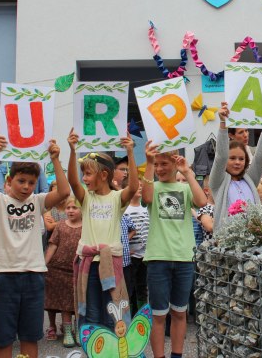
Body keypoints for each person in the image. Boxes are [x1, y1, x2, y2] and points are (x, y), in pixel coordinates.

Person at [0, 136, 69, 358]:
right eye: (21, 181)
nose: (26, 186)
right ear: (9, 180)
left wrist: (56, 159)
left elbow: (63, 192)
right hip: (4, 275)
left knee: (30, 337)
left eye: (31, 182)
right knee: (3, 339)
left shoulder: (38, 201)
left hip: (34, 275)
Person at [67, 130, 138, 330]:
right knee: (91, 313)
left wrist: (131, 152)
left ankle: (114, 350)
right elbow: (73, 181)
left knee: (112, 312)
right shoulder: (86, 198)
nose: (84, 178)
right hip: (89, 265)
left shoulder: (116, 199)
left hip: (111, 264)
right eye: (83, 173)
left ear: (104, 175)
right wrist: (72, 151)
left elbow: (133, 187)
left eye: (88, 173)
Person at [142, 142, 208, 358]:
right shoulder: (153, 186)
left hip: (183, 258)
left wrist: (187, 171)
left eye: (164, 163)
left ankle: (177, 355)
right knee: (158, 315)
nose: (160, 168)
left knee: (180, 312)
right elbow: (147, 199)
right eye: (157, 164)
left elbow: (202, 201)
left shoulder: (185, 187)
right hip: (158, 258)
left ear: (175, 162)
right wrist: (150, 163)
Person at [210, 102, 262, 230]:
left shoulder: (250, 179)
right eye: (232, 158)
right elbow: (221, 156)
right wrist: (223, 123)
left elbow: (260, 156)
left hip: (254, 242)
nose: (237, 162)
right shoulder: (218, 181)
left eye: (241, 158)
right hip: (227, 244)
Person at [44, 196, 81, 348]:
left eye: (74, 208)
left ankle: (78, 329)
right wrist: (44, 264)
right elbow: (52, 246)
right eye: (68, 208)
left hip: (78, 269)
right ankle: (66, 331)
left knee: (78, 302)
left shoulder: (86, 227)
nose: (70, 211)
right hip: (58, 269)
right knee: (65, 302)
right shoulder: (60, 226)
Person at [124, 182, 149, 317]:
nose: (140, 187)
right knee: (129, 287)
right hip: (130, 257)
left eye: (141, 185)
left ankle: (143, 317)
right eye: (136, 185)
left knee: (142, 287)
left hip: (144, 256)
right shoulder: (125, 210)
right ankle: (129, 317)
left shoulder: (146, 210)